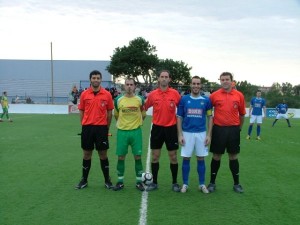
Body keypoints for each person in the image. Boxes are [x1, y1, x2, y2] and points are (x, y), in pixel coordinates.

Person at [207, 72, 246, 193]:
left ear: (231, 81)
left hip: (234, 130)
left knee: (233, 156)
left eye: (227, 79)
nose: (224, 81)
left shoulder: (239, 95)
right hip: (218, 129)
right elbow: (208, 112)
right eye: (222, 79)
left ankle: (236, 184)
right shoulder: (214, 95)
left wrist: (239, 128)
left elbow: (242, 114)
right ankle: (212, 183)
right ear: (220, 81)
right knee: (216, 156)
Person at [75, 70, 114, 190]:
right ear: (90, 80)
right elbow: (81, 110)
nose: (96, 80)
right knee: (87, 154)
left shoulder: (107, 94)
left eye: (98, 78)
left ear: (101, 80)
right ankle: (84, 180)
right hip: (87, 128)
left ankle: (107, 180)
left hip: (101, 128)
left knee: (103, 154)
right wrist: (84, 124)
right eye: (94, 78)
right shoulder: (84, 94)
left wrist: (106, 127)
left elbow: (109, 112)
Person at [144, 70, 181, 192]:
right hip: (157, 129)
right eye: (162, 77)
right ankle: (154, 183)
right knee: (155, 157)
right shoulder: (153, 94)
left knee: (173, 156)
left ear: (169, 79)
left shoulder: (175, 94)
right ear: (158, 79)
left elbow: (181, 109)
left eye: (166, 77)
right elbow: (143, 107)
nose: (164, 79)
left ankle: (175, 183)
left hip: (171, 129)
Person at [177, 76, 213, 194]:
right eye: (194, 83)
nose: (196, 86)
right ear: (191, 85)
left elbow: (210, 117)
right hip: (187, 133)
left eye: (198, 84)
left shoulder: (206, 100)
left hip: (201, 133)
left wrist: (209, 135)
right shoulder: (184, 99)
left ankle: (202, 184)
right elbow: (179, 117)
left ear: (200, 85)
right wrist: (180, 135)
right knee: (186, 158)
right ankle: (185, 184)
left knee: (200, 158)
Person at [112, 78, 146, 191]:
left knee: (137, 156)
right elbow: (116, 114)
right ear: (124, 86)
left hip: (136, 132)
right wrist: (123, 123)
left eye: (131, 84)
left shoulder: (140, 99)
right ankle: (120, 181)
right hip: (122, 132)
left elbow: (143, 113)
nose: (129, 86)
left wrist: (137, 123)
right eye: (127, 84)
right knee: (121, 156)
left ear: (135, 86)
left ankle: (139, 182)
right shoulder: (118, 100)